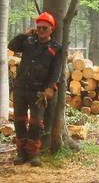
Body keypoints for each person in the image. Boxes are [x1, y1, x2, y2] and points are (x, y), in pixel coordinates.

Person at [7, 12, 63, 166]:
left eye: (45, 28)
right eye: (39, 28)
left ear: (51, 29)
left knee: (36, 122)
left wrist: (51, 88)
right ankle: (21, 152)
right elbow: (11, 46)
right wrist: (24, 35)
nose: (41, 30)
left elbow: (56, 71)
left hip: (39, 91)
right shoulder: (28, 42)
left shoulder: (56, 48)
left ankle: (34, 153)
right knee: (19, 120)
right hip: (20, 87)